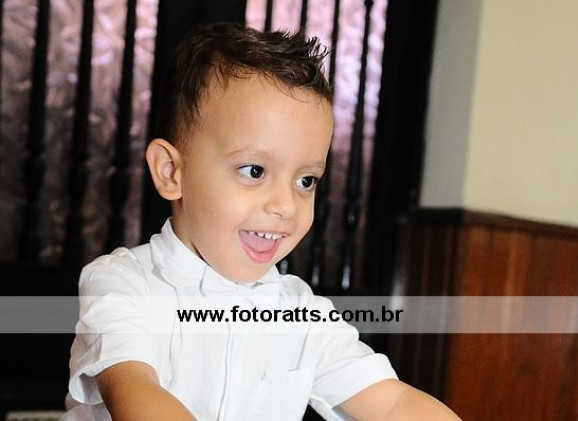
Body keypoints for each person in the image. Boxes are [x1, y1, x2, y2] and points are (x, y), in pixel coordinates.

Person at [61, 22, 461, 420]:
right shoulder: (122, 284)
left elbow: (392, 403)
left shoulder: (302, 314)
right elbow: (136, 393)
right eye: (254, 171)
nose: (286, 205)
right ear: (171, 172)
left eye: (306, 181)